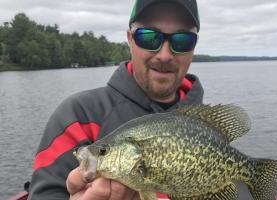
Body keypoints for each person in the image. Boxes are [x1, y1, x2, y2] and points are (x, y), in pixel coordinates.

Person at [28, 0, 254, 199]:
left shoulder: (204, 126)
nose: (165, 55)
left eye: (182, 40)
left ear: (193, 47)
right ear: (130, 39)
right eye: (149, 37)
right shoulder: (78, 117)